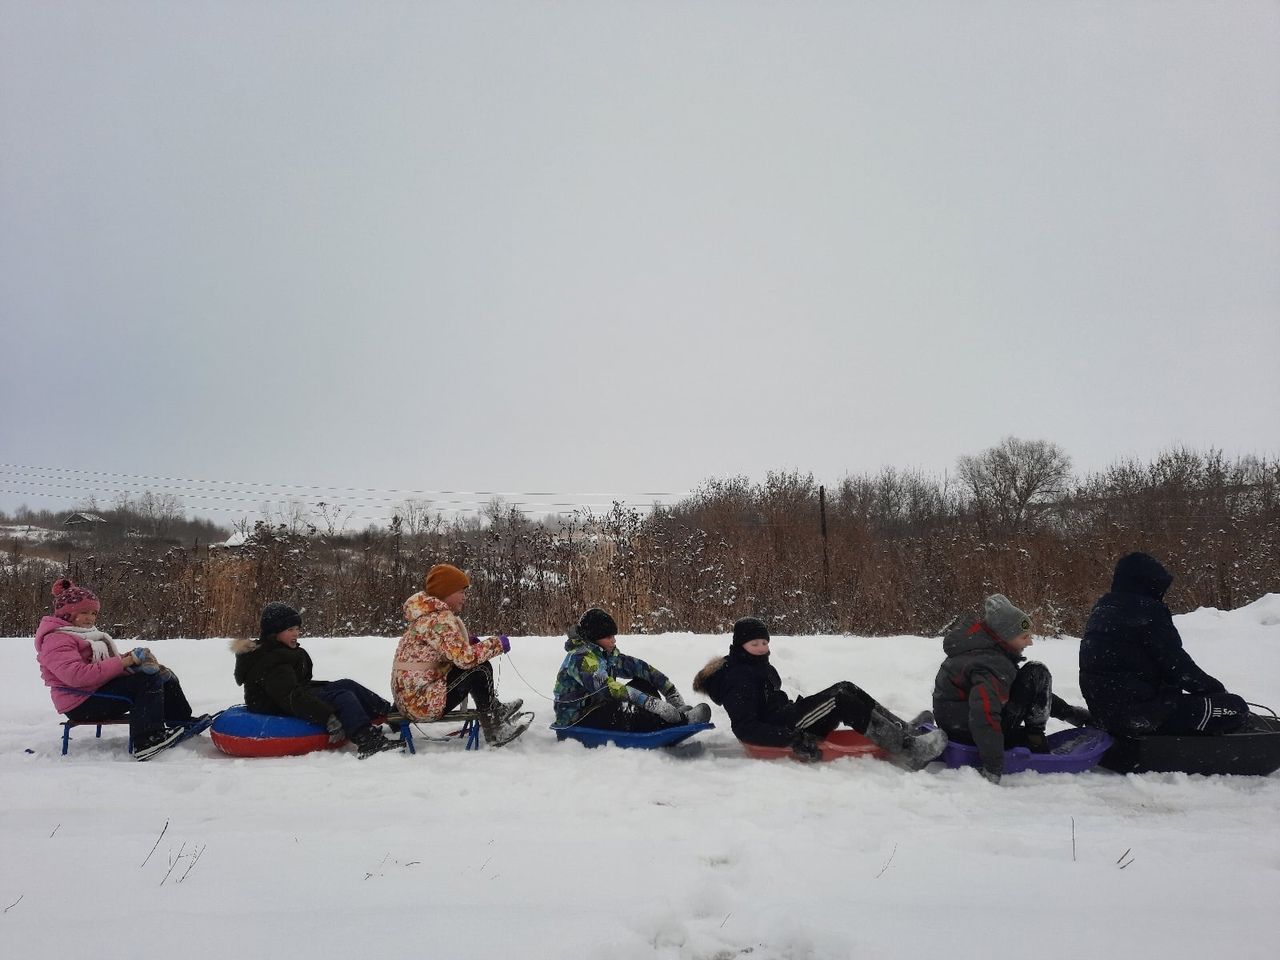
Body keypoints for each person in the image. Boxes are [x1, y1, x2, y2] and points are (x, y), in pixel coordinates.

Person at [693, 616, 946, 768]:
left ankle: (902, 730)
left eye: (765, 642)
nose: (762, 648)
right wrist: (793, 739)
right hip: (783, 730)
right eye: (754, 644)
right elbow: (745, 728)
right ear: (740, 646)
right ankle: (910, 750)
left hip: (785, 716)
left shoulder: (754, 665)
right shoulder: (738, 677)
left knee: (845, 688)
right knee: (840, 701)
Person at [35, 578, 211, 761]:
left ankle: (180, 721)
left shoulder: (86, 634)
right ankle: (146, 741)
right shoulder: (56, 640)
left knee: (161, 674)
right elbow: (77, 675)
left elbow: (104, 663)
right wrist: (125, 662)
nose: (90, 618)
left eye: (94, 613)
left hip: (96, 691)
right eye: (84, 612)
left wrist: (133, 658)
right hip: (80, 701)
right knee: (147, 681)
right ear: (67, 615)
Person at [1080, 552, 1250, 737]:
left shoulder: (1101, 610)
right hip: (1139, 715)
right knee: (1237, 708)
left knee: (1184, 703)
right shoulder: (1147, 611)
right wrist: (1216, 691)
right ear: (1147, 583)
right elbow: (1178, 667)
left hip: (1104, 714)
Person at [932, 594, 1092, 783]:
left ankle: (1033, 735)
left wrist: (1069, 713)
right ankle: (1035, 738)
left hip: (957, 725)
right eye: (1024, 636)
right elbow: (984, 712)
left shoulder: (983, 649)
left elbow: (1021, 689)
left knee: (1032, 677)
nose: (1030, 642)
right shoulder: (992, 663)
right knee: (1036, 672)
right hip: (967, 730)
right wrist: (993, 766)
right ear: (1005, 636)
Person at [232, 602, 403, 758]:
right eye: (290, 630)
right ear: (274, 633)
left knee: (347, 684)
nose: (296, 633)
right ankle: (367, 741)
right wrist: (327, 716)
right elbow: (289, 696)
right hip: (274, 704)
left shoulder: (282, 651)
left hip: (293, 693)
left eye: (297, 629)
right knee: (342, 697)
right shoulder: (270, 661)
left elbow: (296, 685)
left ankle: (391, 715)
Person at [391, 563, 530, 747]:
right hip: (421, 703)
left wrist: (466, 642)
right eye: (461, 592)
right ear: (446, 592)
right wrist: (496, 644)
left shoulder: (427, 615)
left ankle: (495, 709)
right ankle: (494, 728)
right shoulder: (439, 619)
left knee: (476, 665)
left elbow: (443, 651)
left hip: (411, 697)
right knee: (478, 668)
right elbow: (465, 659)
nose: (465, 597)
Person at [553, 607, 712, 731]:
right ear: (594, 638)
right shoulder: (580, 659)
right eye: (608, 637)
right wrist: (650, 703)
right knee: (624, 707)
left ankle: (673, 714)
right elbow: (606, 688)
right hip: (577, 718)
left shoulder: (605, 655)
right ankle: (674, 722)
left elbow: (640, 668)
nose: (614, 641)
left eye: (613, 636)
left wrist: (670, 692)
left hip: (598, 706)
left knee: (643, 683)